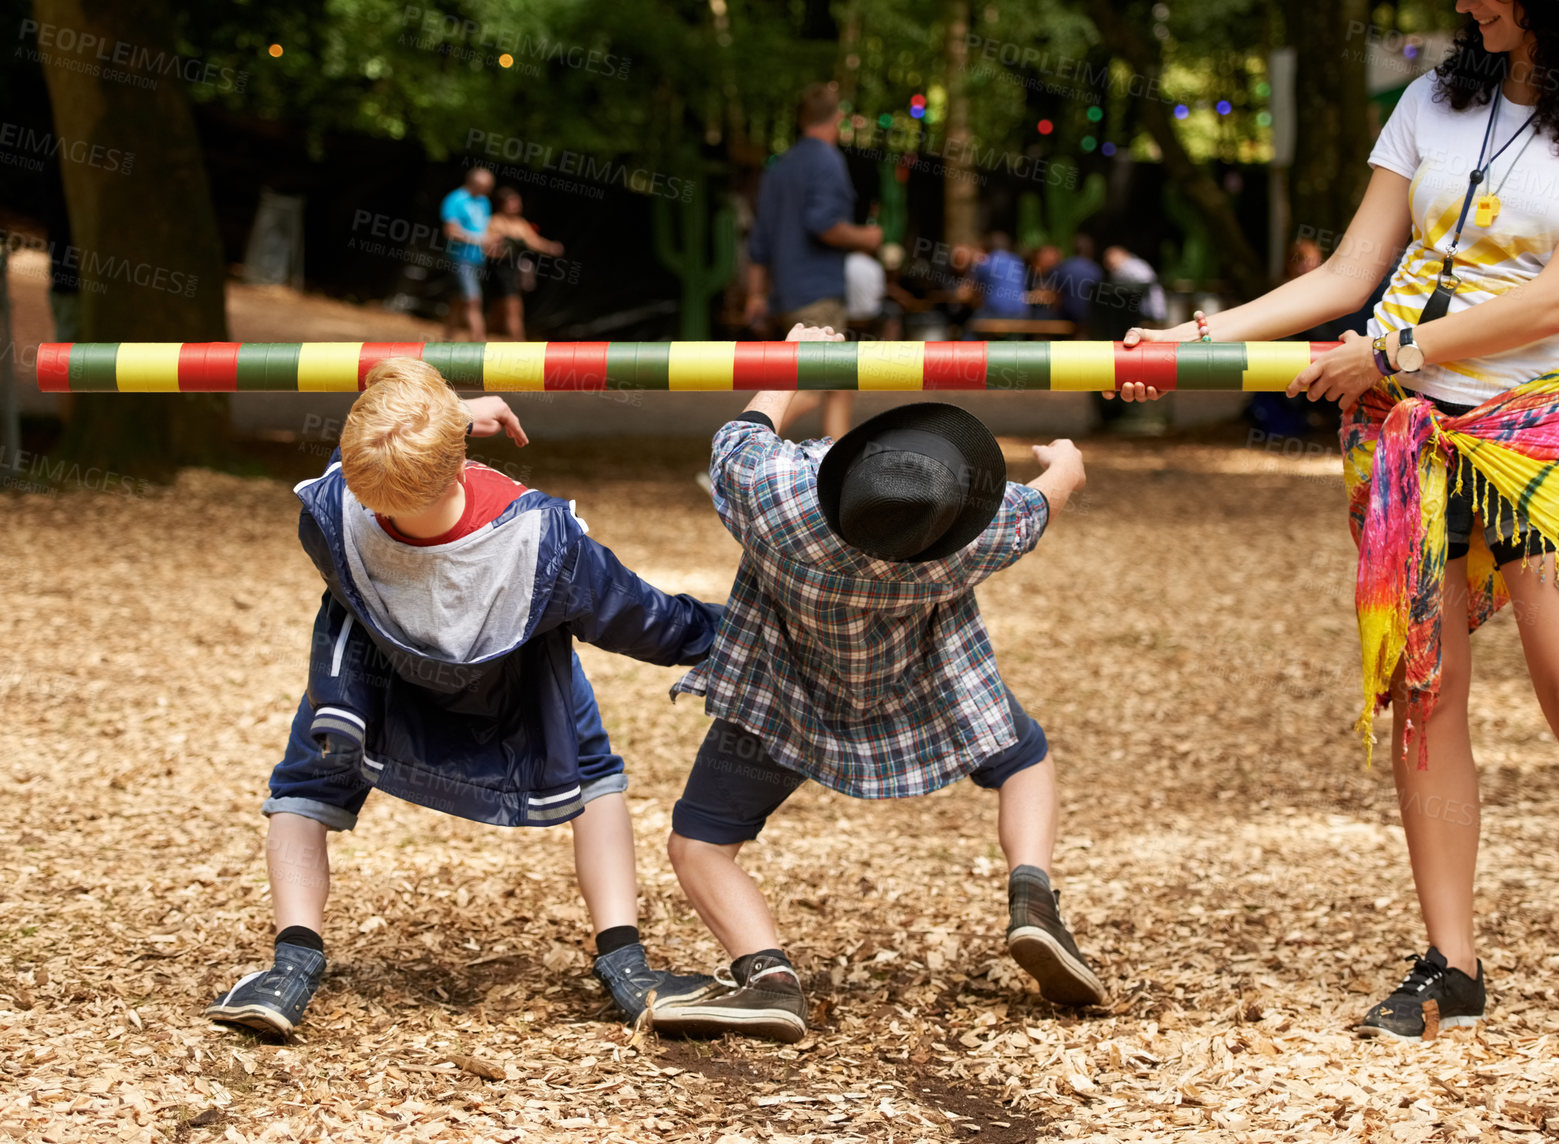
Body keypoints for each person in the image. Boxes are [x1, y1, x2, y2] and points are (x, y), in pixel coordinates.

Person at [1116, 0, 1559, 1067]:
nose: (1467, 5)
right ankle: (1452, 962)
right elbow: (1347, 275)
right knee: (1424, 692)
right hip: (1402, 434)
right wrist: (1194, 336)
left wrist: (1386, 353)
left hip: (1534, 428)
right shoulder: (1430, 103)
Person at [205, 359, 721, 1039]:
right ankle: (625, 965)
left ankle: (290, 966)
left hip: (370, 691)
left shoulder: (329, 512)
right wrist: (741, 630)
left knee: (307, 784)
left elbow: (354, 461)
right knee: (596, 781)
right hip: (515, 694)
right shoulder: (544, 541)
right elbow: (649, 622)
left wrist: (439, 418)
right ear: (458, 461)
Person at [650, 324, 1107, 1043]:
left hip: (780, 702)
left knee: (699, 845)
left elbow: (745, 432)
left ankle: (767, 977)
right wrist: (1065, 459)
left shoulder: (774, 500)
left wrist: (797, 357)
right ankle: (1032, 899)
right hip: (923, 697)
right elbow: (1053, 492)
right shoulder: (977, 537)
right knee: (1024, 760)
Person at [744, 83, 877, 441]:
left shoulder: (779, 167)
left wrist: (756, 295)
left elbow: (759, 241)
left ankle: (837, 469)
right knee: (813, 385)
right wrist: (866, 238)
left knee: (840, 381)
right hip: (817, 292)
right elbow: (824, 225)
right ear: (837, 119)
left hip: (786, 292)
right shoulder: (827, 160)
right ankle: (737, 453)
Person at [485, 186, 564, 341]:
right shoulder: (496, 221)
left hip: (512, 269)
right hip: (500, 270)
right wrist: (501, 248)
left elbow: (535, 242)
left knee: (499, 312)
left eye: (517, 202)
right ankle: (519, 346)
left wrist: (551, 247)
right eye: (512, 202)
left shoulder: (520, 224)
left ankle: (480, 343)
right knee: (514, 310)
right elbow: (488, 248)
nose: (516, 205)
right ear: (502, 204)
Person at [440, 167, 494, 342]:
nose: (488, 190)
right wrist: (478, 240)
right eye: (485, 186)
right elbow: (450, 232)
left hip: (479, 259)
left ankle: (446, 342)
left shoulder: (484, 202)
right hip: (460, 258)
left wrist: (492, 243)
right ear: (473, 183)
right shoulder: (455, 199)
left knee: (459, 301)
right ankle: (480, 344)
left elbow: (483, 230)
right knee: (473, 300)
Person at [964, 232, 1031, 322]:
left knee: (970, 330)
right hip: (1021, 312)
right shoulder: (1017, 260)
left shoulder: (985, 262)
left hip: (996, 312)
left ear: (987, 247)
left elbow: (971, 290)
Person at [1052, 233, 1104, 332]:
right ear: (1090, 250)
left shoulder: (1063, 267)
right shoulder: (1096, 269)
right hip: (1088, 317)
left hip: (1066, 316)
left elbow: (1056, 295)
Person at [1103, 245, 1167, 323]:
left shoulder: (1130, 266)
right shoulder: (1123, 268)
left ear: (1120, 255)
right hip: (1139, 309)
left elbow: (1146, 282)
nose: (1109, 264)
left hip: (1146, 308)